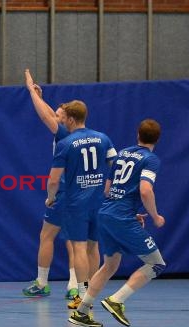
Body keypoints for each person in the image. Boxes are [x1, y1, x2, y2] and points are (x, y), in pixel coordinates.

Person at [69, 119, 165, 327]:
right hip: (121, 217)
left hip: (106, 213)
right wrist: (155, 217)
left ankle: (82, 312)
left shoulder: (122, 153)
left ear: (137, 135)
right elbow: (145, 190)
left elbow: (107, 188)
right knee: (156, 264)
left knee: (110, 265)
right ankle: (117, 300)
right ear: (157, 139)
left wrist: (131, 212)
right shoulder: (151, 160)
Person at [46, 100, 117, 309]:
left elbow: (53, 179)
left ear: (70, 119)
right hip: (98, 201)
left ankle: (83, 294)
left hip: (76, 203)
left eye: (64, 118)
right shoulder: (103, 138)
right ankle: (92, 293)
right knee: (93, 246)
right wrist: (108, 186)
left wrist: (51, 197)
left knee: (78, 248)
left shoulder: (65, 143)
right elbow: (115, 164)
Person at [21, 69, 78, 299]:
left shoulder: (64, 134)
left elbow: (46, 118)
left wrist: (30, 92)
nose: (55, 115)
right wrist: (40, 96)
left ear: (67, 120)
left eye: (59, 114)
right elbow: (51, 115)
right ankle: (74, 285)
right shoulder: (87, 134)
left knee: (47, 236)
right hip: (81, 193)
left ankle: (42, 282)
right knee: (75, 241)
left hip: (63, 191)